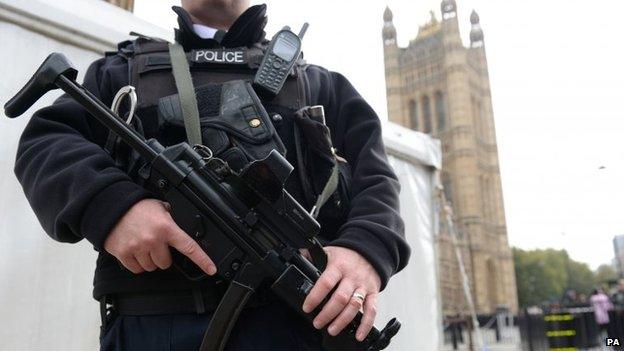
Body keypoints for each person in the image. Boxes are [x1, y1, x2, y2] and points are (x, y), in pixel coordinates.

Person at [13, 1, 410, 350]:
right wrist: (115, 207)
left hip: (293, 324)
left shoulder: (318, 84)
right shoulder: (122, 72)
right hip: (151, 324)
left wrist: (364, 252)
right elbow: (46, 142)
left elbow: (376, 177)